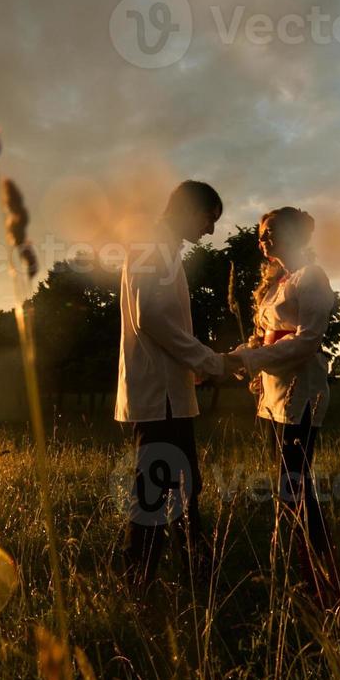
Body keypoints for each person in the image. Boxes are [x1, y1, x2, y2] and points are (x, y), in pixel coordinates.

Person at [115, 180, 238, 592]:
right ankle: (140, 587)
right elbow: (148, 315)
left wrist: (192, 366)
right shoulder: (151, 245)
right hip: (159, 396)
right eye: (209, 218)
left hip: (169, 391)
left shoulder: (163, 249)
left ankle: (195, 579)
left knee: (184, 488)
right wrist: (203, 359)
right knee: (155, 494)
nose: (210, 230)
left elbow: (164, 323)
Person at [229, 207, 340, 607]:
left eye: (270, 232)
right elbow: (262, 341)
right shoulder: (275, 285)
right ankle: (301, 573)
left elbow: (308, 340)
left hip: (302, 396)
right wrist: (232, 360)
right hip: (271, 398)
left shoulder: (311, 278)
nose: (262, 240)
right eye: (260, 234)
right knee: (287, 490)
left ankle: (324, 583)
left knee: (296, 487)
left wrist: (254, 359)